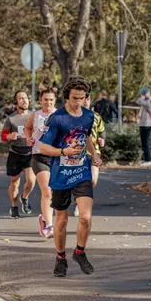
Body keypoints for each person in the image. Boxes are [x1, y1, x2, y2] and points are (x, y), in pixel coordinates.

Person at [39, 76, 101, 277]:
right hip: (61, 175)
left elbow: (86, 136)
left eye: (82, 98)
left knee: (85, 217)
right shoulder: (56, 118)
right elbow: (43, 147)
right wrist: (64, 152)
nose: (78, 102)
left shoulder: (89, 116)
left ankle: (79, 252)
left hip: (81, 172)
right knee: (61, 220)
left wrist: (94, 154)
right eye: (74, 98)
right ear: (67, 96)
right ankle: (60, 258)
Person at [24, 85, 58, 239]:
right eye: (45, 100)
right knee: (47, 191)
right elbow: (27, 128)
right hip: (39, 156)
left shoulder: (61, 115)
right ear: (40, 100)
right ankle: (49, 225)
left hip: (56, 158)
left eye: (51, 100)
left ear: (55, 101)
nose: (48, 102)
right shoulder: (35, 115)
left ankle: (44, 218)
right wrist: (28, 138)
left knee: (56, 193)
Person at [2, 91, 35, 219]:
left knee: (31, 180)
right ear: (16, 101)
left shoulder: (34, 116)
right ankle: (14, 206)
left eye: (26, 98)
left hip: (30, 153)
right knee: (15, 183)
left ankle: (24, 197)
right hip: (15, 153)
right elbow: (3, 136)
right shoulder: (11, 118)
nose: (24, 100)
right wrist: (9, 136)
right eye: (20, 98)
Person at [136, 86, 151, 167]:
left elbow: (138, 101)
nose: (148, 93)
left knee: (146, 142)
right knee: (144, 143)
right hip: (143, 123)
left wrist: (144, 97)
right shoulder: (146, 100)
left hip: (147, 124)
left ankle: (148, 160)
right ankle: (146, 159)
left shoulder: (149, 101)